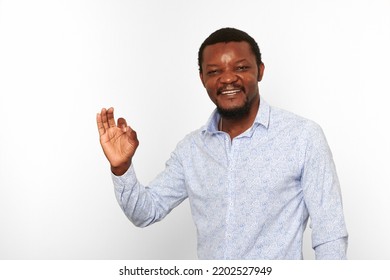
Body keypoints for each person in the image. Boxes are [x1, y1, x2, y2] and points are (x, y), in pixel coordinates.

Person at [96, 27, 348, 259]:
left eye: (240, 68)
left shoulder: (303, 137)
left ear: (260, 71)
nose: (228, 79)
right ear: (202, 78)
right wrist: (122, 168)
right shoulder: (191, 150)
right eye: (214, 71)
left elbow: (330, 234)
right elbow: (145, 212)